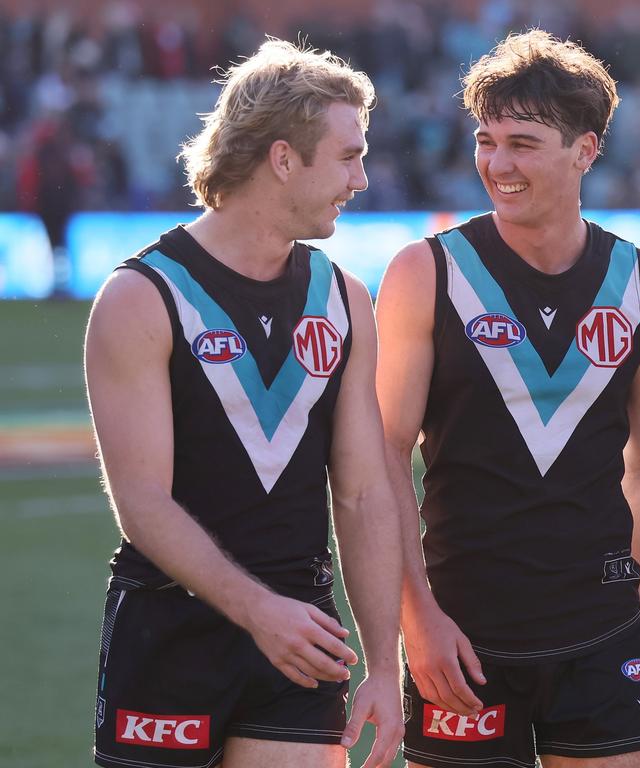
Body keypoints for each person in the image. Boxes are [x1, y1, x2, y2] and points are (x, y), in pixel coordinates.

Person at [85, 40, 403, 768]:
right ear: (283, 159)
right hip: (170, 632)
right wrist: (262, 614)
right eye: (348, 156)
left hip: (300, 643)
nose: (361, 179)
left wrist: (384, 664)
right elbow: (142, 504)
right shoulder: (141, 297)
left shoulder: (346, 299)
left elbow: (362, 494)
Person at [375, 30, 640, 768]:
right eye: (486, 141)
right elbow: (379, 458)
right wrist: (416, 620)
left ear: (586, 149)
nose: (497, 164)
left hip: (603, 631)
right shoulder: (427, 273)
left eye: (522, 142)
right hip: (463, 631)